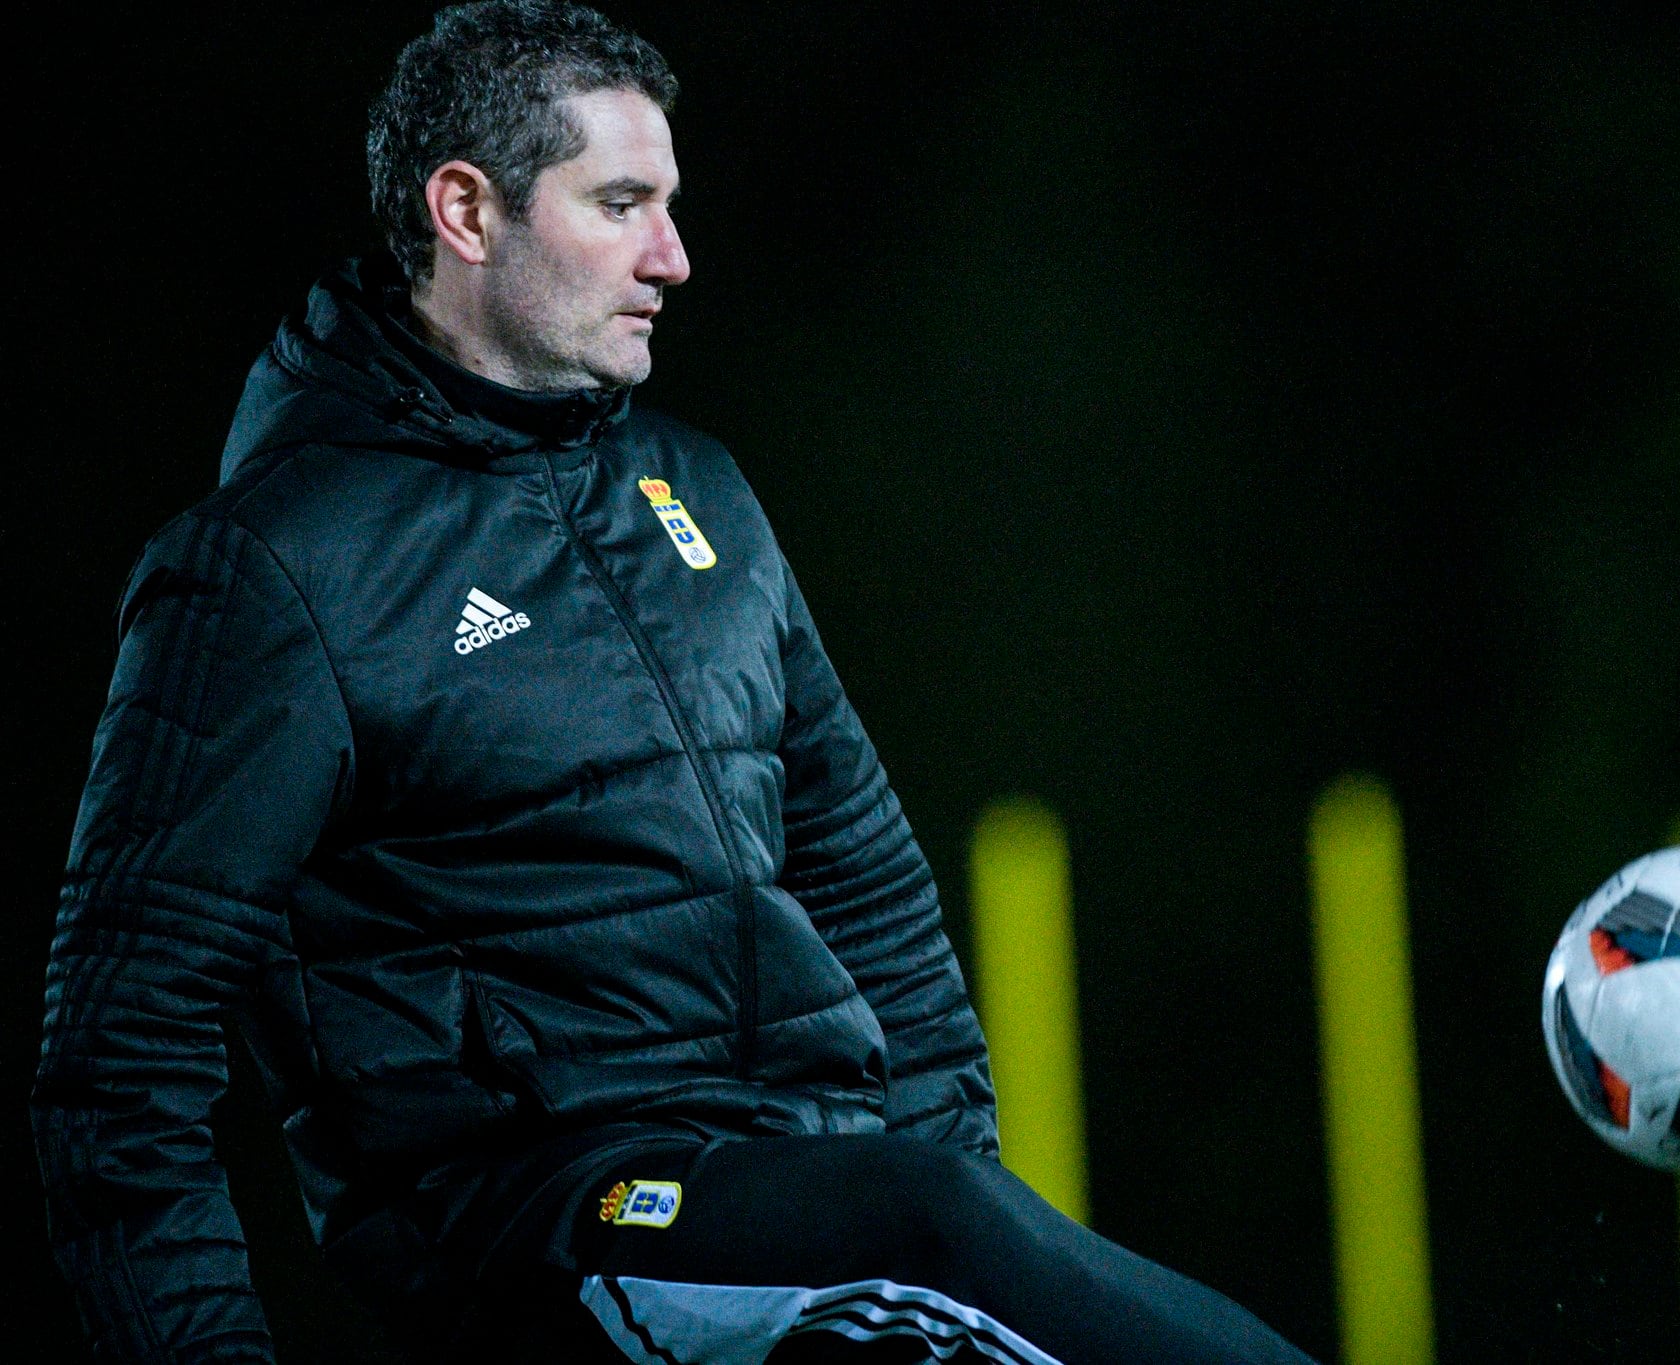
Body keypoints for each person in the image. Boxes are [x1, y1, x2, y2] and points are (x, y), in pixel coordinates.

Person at [32, 4, 1319, 1362]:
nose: (675, 257)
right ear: (467, 211)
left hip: (807, 1195)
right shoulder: (278, 567)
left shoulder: (695, 491)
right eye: (622, 203)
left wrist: (982, 1251)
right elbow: (118, 1062)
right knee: (924, 1214)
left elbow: (871, 889)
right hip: (549, 1223)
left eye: (673, 204)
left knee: (938, 1218)